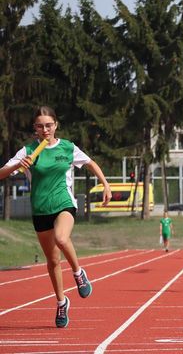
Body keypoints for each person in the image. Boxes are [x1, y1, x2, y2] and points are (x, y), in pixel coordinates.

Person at [0, 106, 112, 328]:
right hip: (40, 209)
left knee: (62, 239)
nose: (45, 129)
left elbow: (90, 163)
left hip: (64, 203)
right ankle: (62, 302)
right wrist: (17, 164)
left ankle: (79, 273)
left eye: (48, 125)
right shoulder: (29, 151)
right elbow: (2, 173)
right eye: (40, 126)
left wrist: (105, 184)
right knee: (52, 261)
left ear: (55, 126)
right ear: (35, 129)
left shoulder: (68, 148)